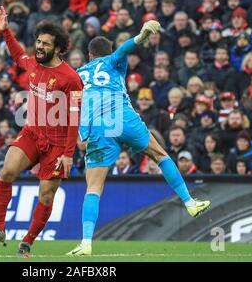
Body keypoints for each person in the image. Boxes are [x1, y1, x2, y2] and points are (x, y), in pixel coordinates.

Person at [66, 20, 210, 256]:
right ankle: (190, 202)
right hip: (122, 118)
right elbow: (124, 50)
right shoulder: (113, 60)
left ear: (89, 55)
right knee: (160, 155)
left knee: (93, 186)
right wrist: (142, 35)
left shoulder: (78, 74)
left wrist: (81, 133)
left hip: (98, 129)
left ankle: (86, 243)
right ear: (106, 52)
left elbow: (71, 104)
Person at [0, 6, 83, 258]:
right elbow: (18, 55)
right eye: (38, 41)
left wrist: (68, 154)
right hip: (33, 133)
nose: (39, 47)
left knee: (46, 195)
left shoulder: (70, 79)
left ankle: (27, 242)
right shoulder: (34, 64)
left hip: (58, 145)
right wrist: (5, 31)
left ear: (58, 48)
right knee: (7, 171)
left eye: (45, 44)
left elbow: (73, 118)